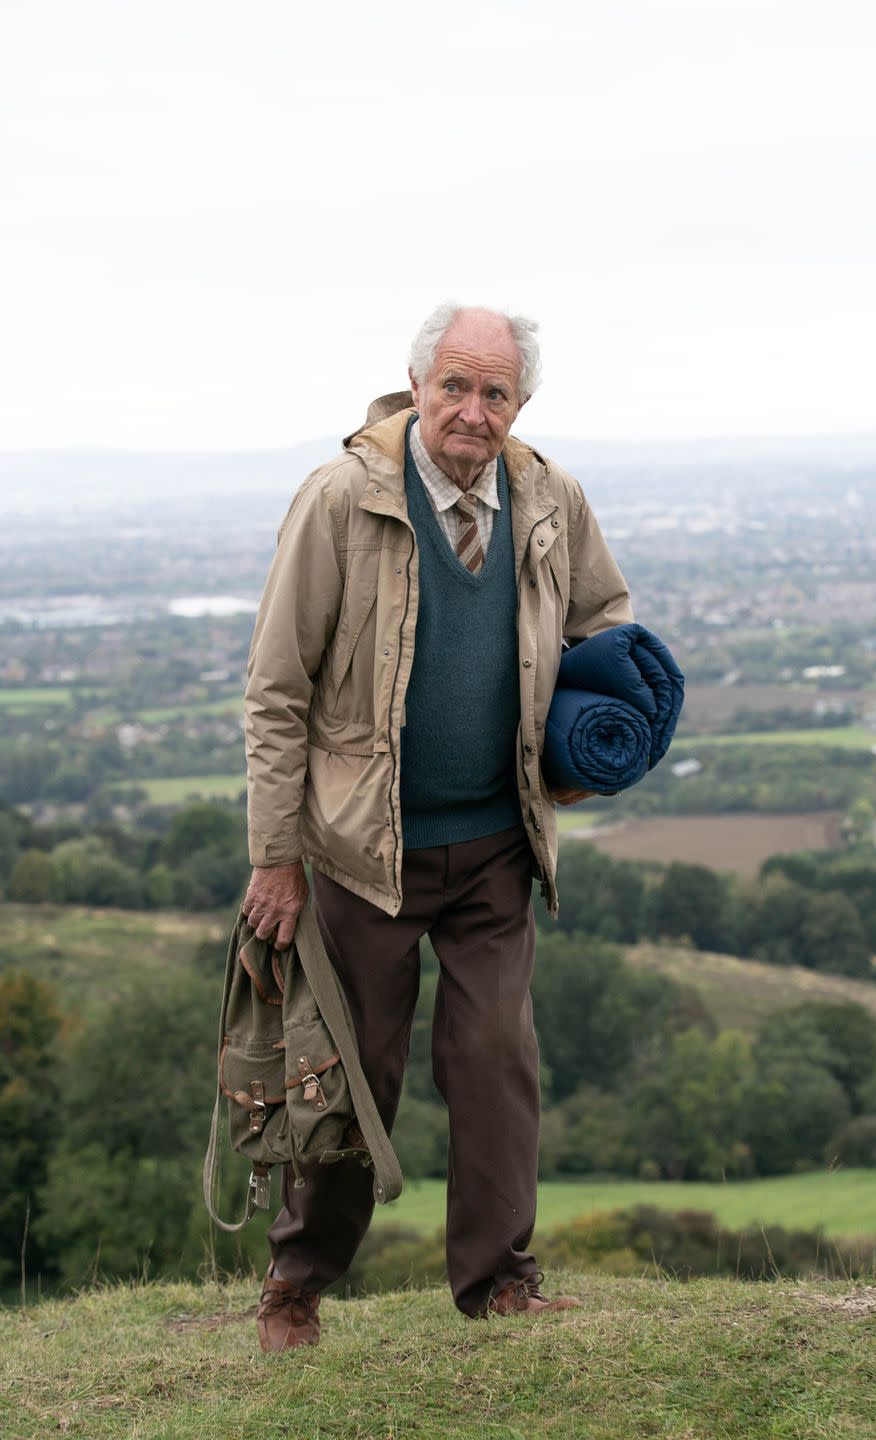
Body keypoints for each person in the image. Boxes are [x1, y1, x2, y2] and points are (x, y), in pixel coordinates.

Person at [241, 303, 633, 1351]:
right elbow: (277, 690)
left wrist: (609, 726)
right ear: (416, 386)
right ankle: (296, 1287)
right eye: (454, 385)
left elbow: (606, 627)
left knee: (498, 1054)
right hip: (365, 852)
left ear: (521, 403)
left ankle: (501, 1281)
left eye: (495, 392)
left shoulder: (551, 497)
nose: (473, 410)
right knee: (350, 1077)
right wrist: (275, 857)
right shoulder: (340, 500)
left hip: (499, 841)